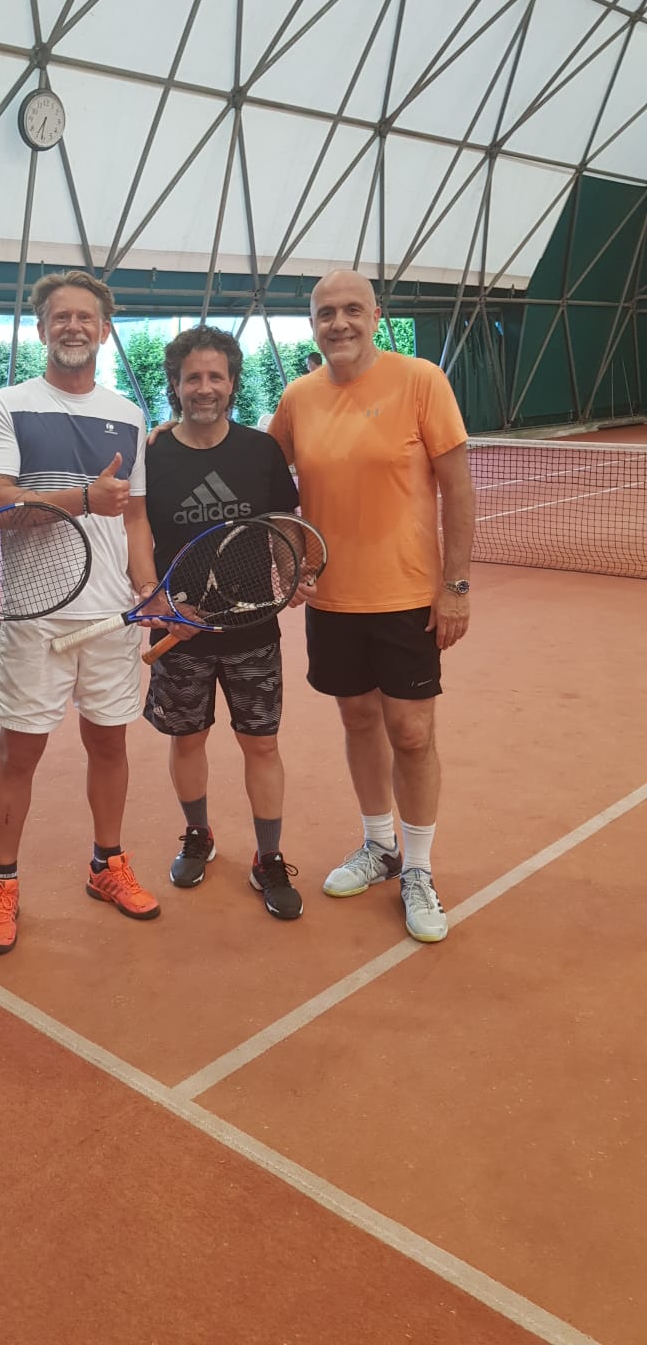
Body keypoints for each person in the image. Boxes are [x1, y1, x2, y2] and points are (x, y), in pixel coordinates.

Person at [265, 270, 475, 943]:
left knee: (411, 733)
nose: (340, 323)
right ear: (313, 325)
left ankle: (417, 868)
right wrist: (287, 559)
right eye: (326, 313)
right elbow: (263, 481)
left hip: (408, 595)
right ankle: (379, 845)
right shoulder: (298, 397)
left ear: (376, 315)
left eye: (352, 309)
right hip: (332, 599)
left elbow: (458, 488)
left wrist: (456, 585)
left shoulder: (421, 381)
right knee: (357, 719)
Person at [0, 269, 162, 954]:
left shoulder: (129, 414)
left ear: (104, 330)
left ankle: (106, 865)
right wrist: (82, 498)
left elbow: (135, 517)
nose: (73, 326)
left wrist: (149, 588)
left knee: (109, 744)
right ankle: (3, 886)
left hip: (111, 616)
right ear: (41, 328)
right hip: (36, 614)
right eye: (61, 317)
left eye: (86, 317)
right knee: (19, 752)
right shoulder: (7, 405)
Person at [143, 326, 312, 919]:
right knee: (187, 739)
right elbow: (135, 533)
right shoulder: (152, 454)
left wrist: (293, 574)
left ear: (232, 383)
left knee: (260, 744)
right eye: (193, 377)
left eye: (216, 376)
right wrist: (160, 600)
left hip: (253, 630)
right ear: (176, 384)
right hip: (178, 631)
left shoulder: (260, 451)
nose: (205, 387)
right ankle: (199, 835)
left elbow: (283, 521)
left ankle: (269, 857)